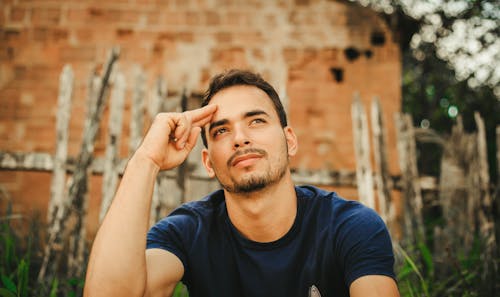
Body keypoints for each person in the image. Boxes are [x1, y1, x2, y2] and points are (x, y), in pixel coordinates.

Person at [84, 70, 400, 297]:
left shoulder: (349, 227)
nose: (240, 138)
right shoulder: (188, 232)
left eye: (256, 121)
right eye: (221, 130)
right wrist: (146, 161)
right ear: (208, 162)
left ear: (289, 141)